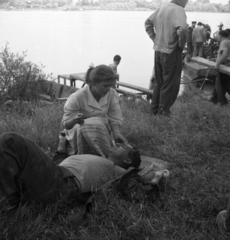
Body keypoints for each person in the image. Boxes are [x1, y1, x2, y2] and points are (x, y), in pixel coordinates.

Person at [0, 132, 142, 209]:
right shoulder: (101, 161)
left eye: (123, 146)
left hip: (61, 185)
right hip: (54, 175)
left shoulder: (121, 172)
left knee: (10, 140)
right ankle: (9, 196)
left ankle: (10, 203)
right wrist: (62, 143)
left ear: (127, 161)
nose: (117, 144)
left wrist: (157, 178)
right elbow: (59, 162)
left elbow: (140, 192)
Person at [61, 64, 127, 157]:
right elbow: (66, 125)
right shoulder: (77, 97)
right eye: (105, 86)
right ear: (94, 83)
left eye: (111, 86)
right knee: (90, 125)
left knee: (99, 123)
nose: (108, 89)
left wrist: (116, 133)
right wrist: (75, 120)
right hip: (79, 132)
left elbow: (115, 117)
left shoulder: (111, 94)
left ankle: (101, 154)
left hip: (99, 131)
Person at [145, 0, 188, 116]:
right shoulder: (179, 9)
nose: (187, 2)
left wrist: (155, 39)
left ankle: (154, 111)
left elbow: (148, 23)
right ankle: (163, 114)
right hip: (171, 52)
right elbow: (183, 29)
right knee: (170, 84)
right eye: (187, 0)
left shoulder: (162, 7)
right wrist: (180, 45)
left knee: (159, 82)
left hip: (158, 51)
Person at [211, 30, 230, 106]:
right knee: (225, 83)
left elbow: (225, 54)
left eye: (217, 35)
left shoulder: (223, 42)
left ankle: (222, 102)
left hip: (224, 65)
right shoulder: (228, 41)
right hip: (228, 64)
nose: (216, 37)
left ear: (221, 36)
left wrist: (217, 64)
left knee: (220, 84)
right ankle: (215, 99)